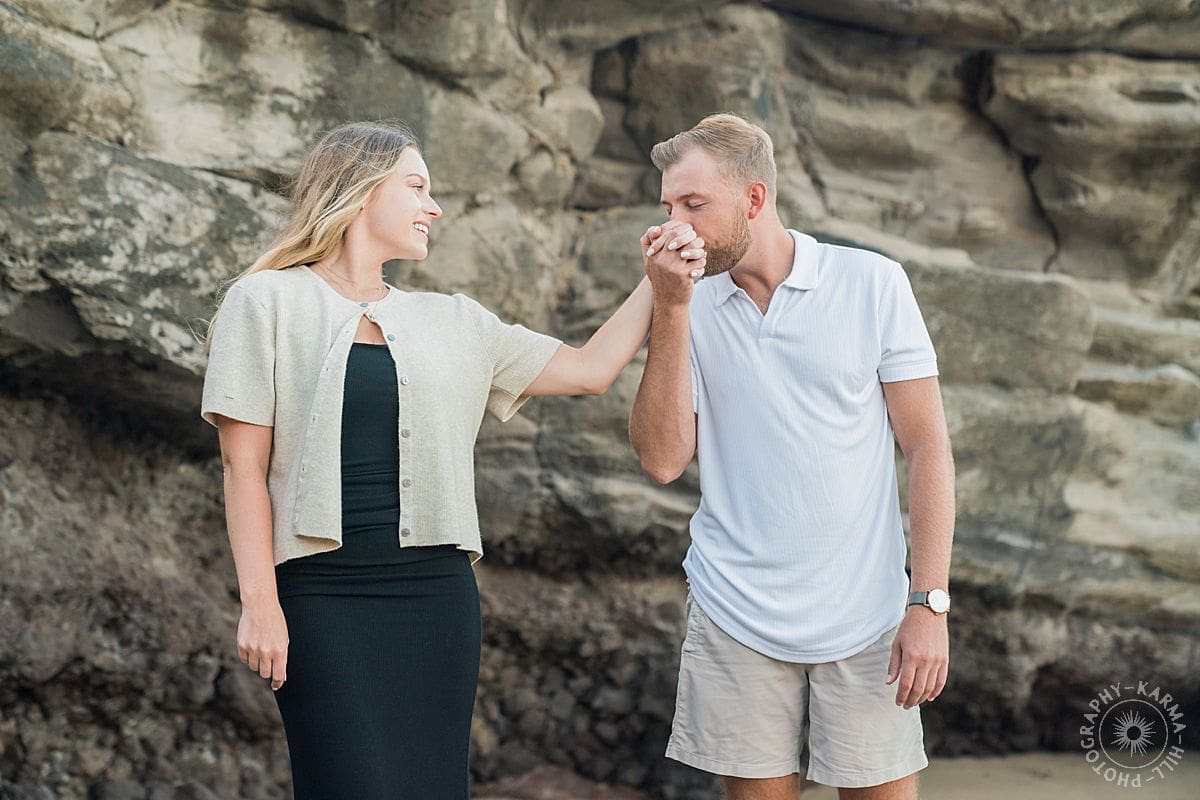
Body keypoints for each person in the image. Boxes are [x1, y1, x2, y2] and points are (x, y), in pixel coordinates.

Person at [200, 119, 706, 800]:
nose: (433, 207)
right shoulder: (264, 302)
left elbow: (590, 368)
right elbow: (243, 469)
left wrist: (659, 279)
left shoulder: (458, 321)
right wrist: (259, 603)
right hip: (322, 595)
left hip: (436, 599)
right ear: (359, 189)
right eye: (416, 187)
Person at [629, 113, 956, 800]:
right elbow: (662, 461)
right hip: (734, 611)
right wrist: (672, 309)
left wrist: (928, 603)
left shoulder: (873, 283)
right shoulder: (682, 298)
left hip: (868, 614)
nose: (675, 226)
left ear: (753, 200)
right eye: (667, 207)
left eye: (694, 204)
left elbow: (927, 446)